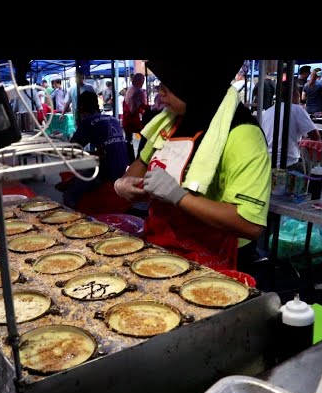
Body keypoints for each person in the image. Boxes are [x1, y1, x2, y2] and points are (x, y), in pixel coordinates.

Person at [113, 59, 271, 271]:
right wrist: (125, 184)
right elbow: (140, 166)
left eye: (169, 85)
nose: (160, 92)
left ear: (195, 84)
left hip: (210, 257)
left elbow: (250, 224)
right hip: (159, 245)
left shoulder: (243, 134)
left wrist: (179, 197)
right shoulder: (170, 121)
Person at [62, 90, 130, 213]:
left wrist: (93, 154)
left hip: (106, 173)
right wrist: (95, 154)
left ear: (80, 108)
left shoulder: (87, 122)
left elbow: (70, 151)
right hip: (123, 168)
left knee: (69, 194)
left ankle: (71, 218)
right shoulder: (112, 118)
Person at [261, 80, 321, 168]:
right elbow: (316, 136)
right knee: (314, 166)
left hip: (266, 162)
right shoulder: (297, 109)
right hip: (288, 163)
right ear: (295, 94)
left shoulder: (267, 112)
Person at [122, 72, 148, 162]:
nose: (143, 82)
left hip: (126, 119)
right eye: (142, 80)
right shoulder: (138, 91)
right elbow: (142, 106)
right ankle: (140, 158)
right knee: (146, 136)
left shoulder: (130, 89)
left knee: (128, 141)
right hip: (133, 120)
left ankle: (129, 159)